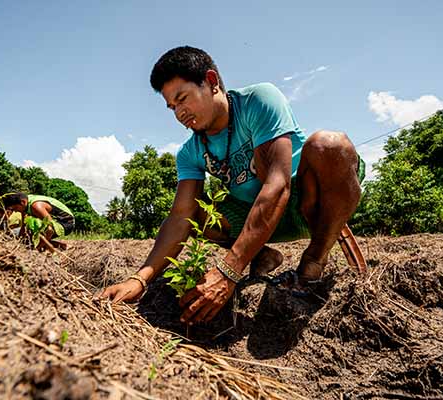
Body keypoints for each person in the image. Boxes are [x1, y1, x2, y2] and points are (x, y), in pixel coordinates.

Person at [98, 46, 365, 325]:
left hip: (310, 202)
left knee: (329, 145)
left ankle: (314, 259)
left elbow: (277, 184)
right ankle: (262, 255)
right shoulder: (190, 153)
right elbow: (179, 218)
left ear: (211, 82)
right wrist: (140, 279)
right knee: (197, 214)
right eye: (172, 107)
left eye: (183, 98)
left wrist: (229, 271)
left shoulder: (258, 100)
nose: (179, 113)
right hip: (259, 218)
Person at [2, 192, 75, 250]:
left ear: (23, 202)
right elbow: (24, 227)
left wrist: (37, 248)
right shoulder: (25, 205)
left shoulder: (36, 206)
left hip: (66, 223)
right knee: (27, 239)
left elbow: (50, 230)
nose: (15, 211)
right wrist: (20, 241)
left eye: (15, 208)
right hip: (54, 221)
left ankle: (63, 246)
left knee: (35, 239)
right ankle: (62, 246)